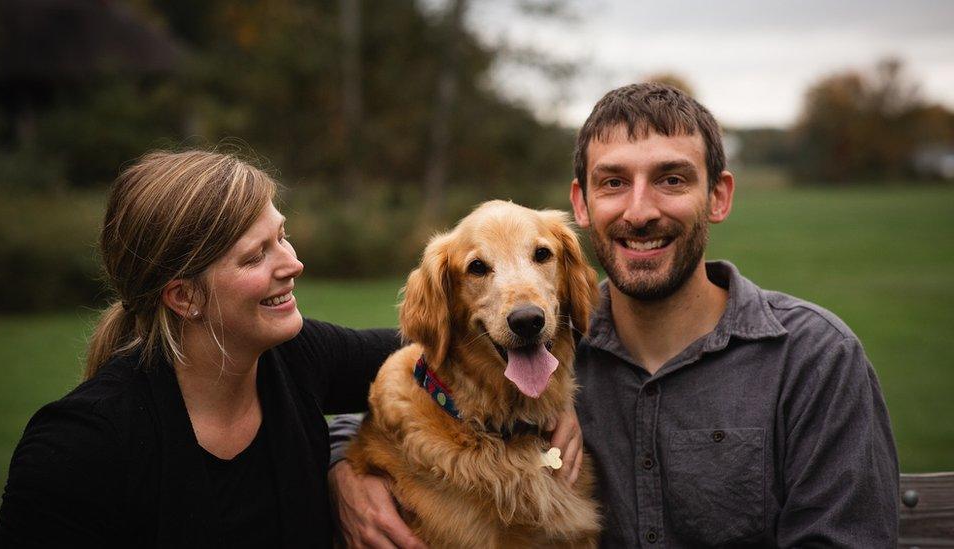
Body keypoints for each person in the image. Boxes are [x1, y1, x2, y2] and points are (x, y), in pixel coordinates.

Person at [329, 83, 899, 547]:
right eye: (613, 183)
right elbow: (411, 395)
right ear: (582, 204)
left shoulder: (815, 359)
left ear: (719, 197)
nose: (640, 210)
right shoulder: (540, 357)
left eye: (672, 179)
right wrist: (344, 475)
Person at [0, 150, 405, 548]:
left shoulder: (298, 357)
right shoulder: (76, 449)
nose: (292, 264)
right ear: (184, 297)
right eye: (255, 256)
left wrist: (343, 462)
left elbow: (442, 356)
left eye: (282, 236)